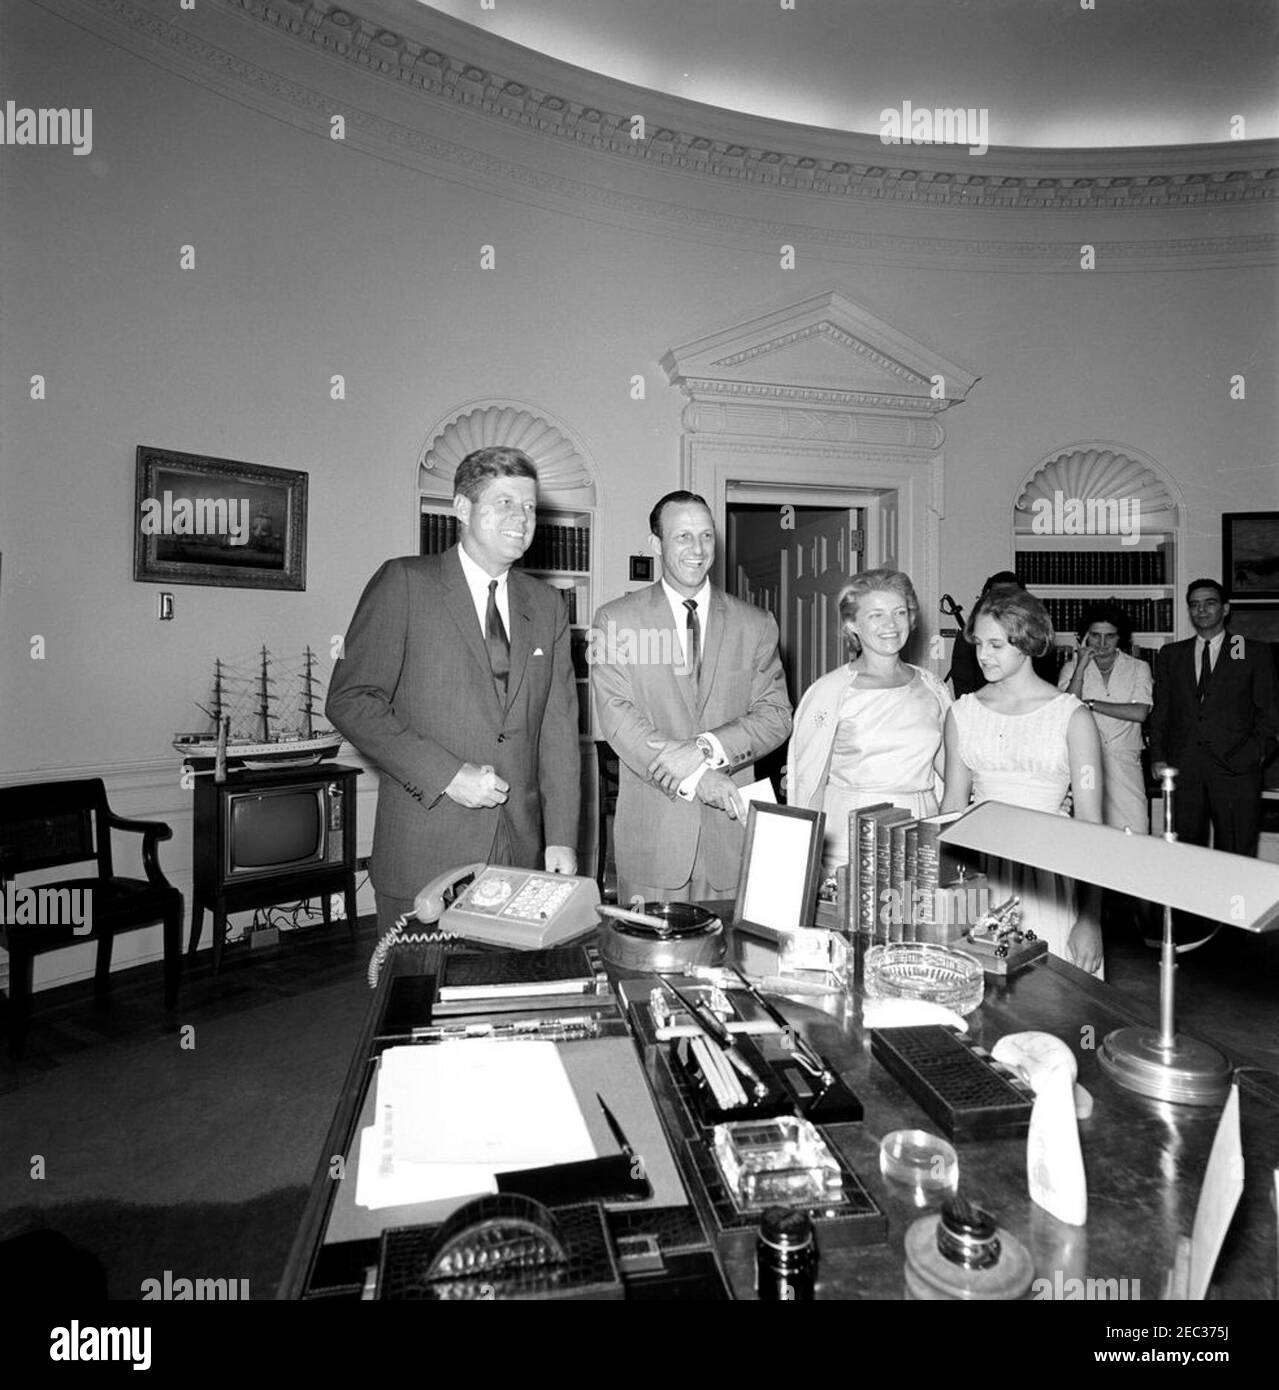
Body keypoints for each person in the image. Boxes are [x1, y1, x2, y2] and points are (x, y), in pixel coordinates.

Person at [327, 446, 581, 931]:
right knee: (415, 1000)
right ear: (462, 508)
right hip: (425, 851)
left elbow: (558, 729)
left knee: (503, 996)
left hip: (519, 855)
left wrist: (562, 837)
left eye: (529, 506)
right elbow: (350, 700)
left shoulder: (547, 606)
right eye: (504, 502)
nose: (521, 517)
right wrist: (448, 774)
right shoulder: (404, 582)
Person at [590, 490, 792, 904]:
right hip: (654, 844)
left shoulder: (756, 623)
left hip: (732, 841)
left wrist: (705, 747)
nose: (697, 550)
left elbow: (776, 715)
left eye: (706, 537)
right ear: (656, 544)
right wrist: (699, 777)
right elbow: (617, 719)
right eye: (683, 537)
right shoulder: (615, 620)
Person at [942, 587, 1106, 975]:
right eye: (979, 643)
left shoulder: (1072, 717)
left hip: (1049, 877)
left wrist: (1091, 918)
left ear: (1028, 642)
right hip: (981, 876)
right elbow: (949, 812)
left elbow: (1092, 828)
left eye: (996, 645)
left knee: (1050, 1006)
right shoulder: (962, 713)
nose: (983, 655)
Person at [787, 569, 950, 874]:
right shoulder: (829, 692)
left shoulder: (933, 687)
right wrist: (810, 862)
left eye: (899, 612)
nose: (891, 624)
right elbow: (809, 785)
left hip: (922, 830)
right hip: (850, 835)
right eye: (876, 615)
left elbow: (954, 772)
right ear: (852, 624)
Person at [1147, 578, 1279, 951]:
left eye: (1209, 603)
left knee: (1235, 850)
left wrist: (1252, 756)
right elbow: (1162, 714)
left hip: (1236, 772)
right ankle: (1191, 926)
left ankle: (1233, 931)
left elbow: (1269, 717)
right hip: (1185, 768)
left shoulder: (1251, 652)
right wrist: (1158, 756)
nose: (1201, 610)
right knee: (1186, 849)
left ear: (1225, 609)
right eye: (1194, 604)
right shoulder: (1172, 655)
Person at [1058, 602, 1152, 834]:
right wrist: (1080, 667)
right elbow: (1065, 711)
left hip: (1125, 761)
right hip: (1083, 763)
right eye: (1095, 636)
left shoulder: (1138, 667)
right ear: (1084, 637)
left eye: (1109, 637)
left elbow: (1139, 712)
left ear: (1120, 638)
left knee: (1135, 830)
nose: (1102, 644)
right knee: (1089, 833)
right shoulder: (1071, 669)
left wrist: (1090, 704)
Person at [946, 570, 1059, 695]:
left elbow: (1048, 681)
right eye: (997, 596)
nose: (983, 655)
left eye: (996, 645)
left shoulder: (1037, 635)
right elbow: (963, 686)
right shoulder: (969, 637)